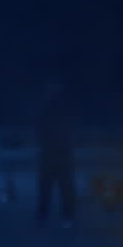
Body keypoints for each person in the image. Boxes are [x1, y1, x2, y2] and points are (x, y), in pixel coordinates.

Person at [34, 79, 76, 227]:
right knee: (50, 186)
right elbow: (41, 130)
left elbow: (66, 130)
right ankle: (48, 214)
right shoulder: (49, 108)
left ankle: (63, 215)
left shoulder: (56, 107)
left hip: (58, 153)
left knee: (60, 187)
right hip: (53, 153)